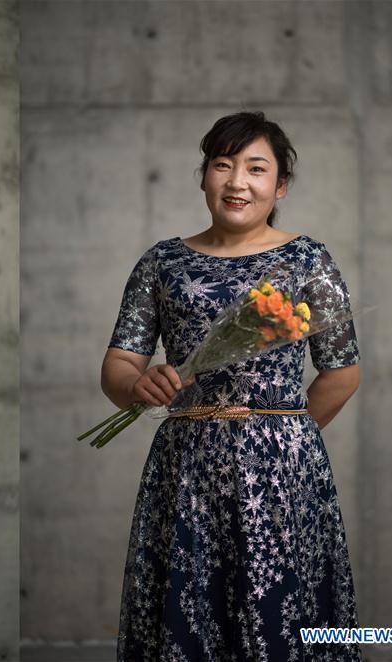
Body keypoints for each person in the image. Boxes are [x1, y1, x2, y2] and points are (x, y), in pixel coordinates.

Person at [101, 111, 361, 660]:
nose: (237, 182)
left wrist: (286, 437)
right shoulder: (162, 262)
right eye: (223, 165)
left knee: (282, 620)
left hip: (283, 471)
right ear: (203, 177)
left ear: (280, 185)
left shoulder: (306, 261)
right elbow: (119, 365)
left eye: (256, 168)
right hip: (186, 464)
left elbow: (342, 371)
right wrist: (137, 385)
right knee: (191, 618)